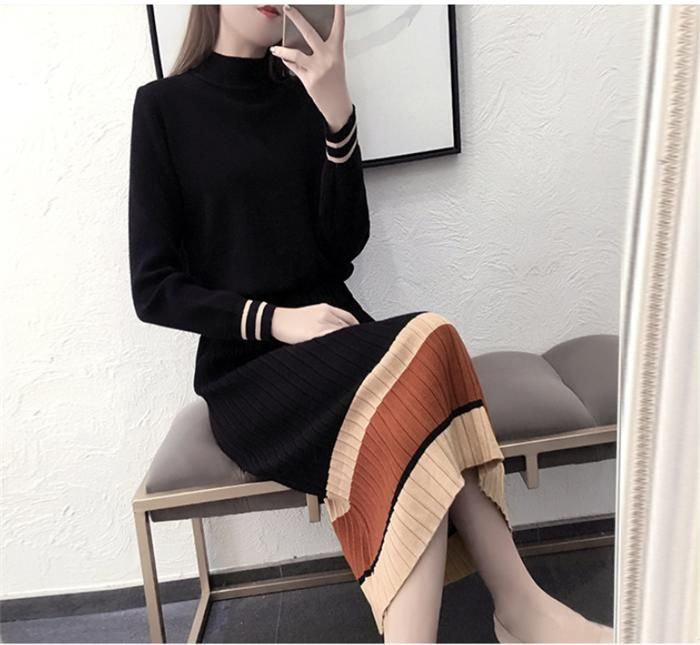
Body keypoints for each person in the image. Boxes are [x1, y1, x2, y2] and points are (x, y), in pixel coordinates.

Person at [128, 4, 614, 642]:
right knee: (430, 347)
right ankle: (522, 609)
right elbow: (154, 289)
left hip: (339, 342)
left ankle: (507, 613)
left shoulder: (304, 93)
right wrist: (276, 321)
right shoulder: (163, 107)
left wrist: (337, 117)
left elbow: (341, 247)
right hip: (248, 374)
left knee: (425, 362)